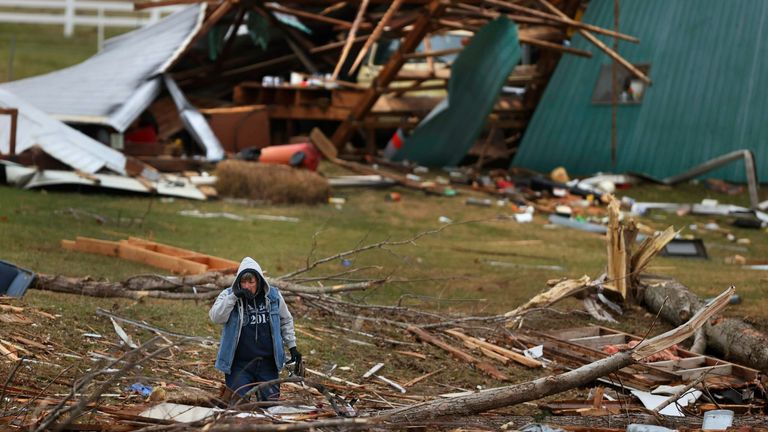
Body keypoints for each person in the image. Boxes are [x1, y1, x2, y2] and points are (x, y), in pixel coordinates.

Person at [209, 257, 301, 402]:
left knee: (269, 405)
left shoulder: (274, 296)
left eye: (250, 282)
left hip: (267, 364)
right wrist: (234, 296)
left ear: (258, 281)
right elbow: (216, 317)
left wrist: (293, 347)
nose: (246, 286)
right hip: (239, 364)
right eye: (243, 282)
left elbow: (286, 320)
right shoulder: (228, 295)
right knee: (237, 406)